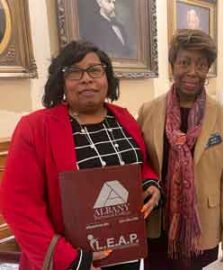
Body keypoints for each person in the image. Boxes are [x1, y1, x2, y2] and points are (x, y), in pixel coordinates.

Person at [0, 41, 160, 270]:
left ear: (107, 77)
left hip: (126, 251)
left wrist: (150, 184)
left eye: (95, 70)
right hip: (72, 260)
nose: (86, 78)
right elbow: (18, 206)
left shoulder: (124, 118)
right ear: (61, 81)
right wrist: (72, 261)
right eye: (74, 72)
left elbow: (139, 165)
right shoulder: (35, 128)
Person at [138, 29, 223, 270]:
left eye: (201, 64)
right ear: (172, 64)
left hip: (202, 228)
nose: (192, 72)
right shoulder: (148, 111)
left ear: (208, 70)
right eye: (185, 62)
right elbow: (141, 166)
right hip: (158, 226)